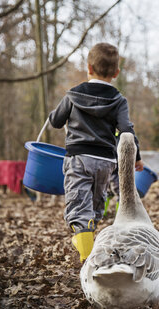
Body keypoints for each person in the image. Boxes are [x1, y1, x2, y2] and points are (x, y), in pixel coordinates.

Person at [49, 43, 144, 262]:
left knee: (78, 204)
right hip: (105, 161)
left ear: (88, 68)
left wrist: (55, 114)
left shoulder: (73, 95)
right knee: (95, 202)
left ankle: (86, 254)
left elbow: (55, 121)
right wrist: (136, 157)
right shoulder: (119, 100)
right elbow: (126, 130)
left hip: (78, 158)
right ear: (116, 73)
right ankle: (86, 239)